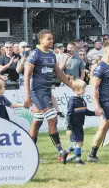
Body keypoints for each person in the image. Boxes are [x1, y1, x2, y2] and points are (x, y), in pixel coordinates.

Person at [23, 30, 74, 161]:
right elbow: (27, 75)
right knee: (53, 119)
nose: (51, 41)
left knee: (37, 121)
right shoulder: (35, 54)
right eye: (49, 39)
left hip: (46, 92)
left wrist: (72, 86)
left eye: (52, 39)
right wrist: (27, 95)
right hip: (37, 92)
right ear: (41, 40)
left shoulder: (51, 55)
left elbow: (59, 73)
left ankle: (30, 153)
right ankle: (61, 152)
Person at [64, 79, 97, 164]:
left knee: (80, 143)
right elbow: (69, 115)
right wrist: (69, 128)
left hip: (79, 125)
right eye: (83, 89)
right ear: (77, 90)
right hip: (74, 125)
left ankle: (66, 152)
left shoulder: (82, 100)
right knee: (79, 142)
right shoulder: (72, 101)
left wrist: (95, 113)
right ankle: (78, 159)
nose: (85, 91)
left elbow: (85, 111)